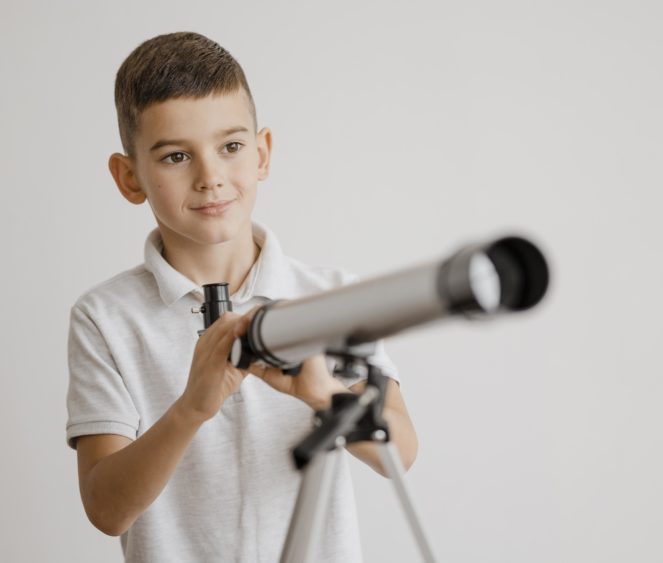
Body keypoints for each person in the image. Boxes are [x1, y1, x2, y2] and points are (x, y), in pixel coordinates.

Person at [65, 31, 418, 562]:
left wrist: (325, 396)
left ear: (262, 153)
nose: (211, 178)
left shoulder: (330, 296)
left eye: (231, 147)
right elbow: (106, 509)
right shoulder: (105, 318)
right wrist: (191, 408)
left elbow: (402, 454)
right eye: (176, 156)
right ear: (129, 176)